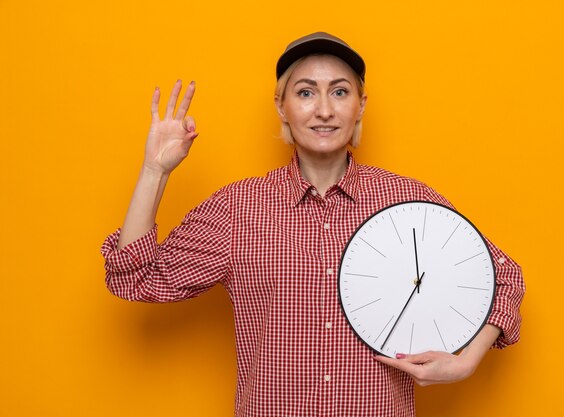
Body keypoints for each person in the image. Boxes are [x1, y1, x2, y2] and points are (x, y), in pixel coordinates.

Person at [101, 32, 525, 417]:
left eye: (339, 92)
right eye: (305, 93)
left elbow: (504, 276)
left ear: (361, 106)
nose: (323, 110)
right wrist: (155, 171)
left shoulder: (408, 202)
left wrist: (467, 360)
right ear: (281, 107)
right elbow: (137, 277)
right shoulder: (237, 208)